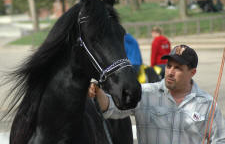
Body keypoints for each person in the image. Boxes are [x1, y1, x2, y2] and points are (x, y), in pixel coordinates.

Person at [88, 44, 225, 144]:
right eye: (169, 65)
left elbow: (220, 139)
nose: (170, 72)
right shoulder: (145, 93)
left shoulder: (207, 104)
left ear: (192, 72)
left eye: (178, 68)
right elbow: (111, 107)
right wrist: (98, 92)